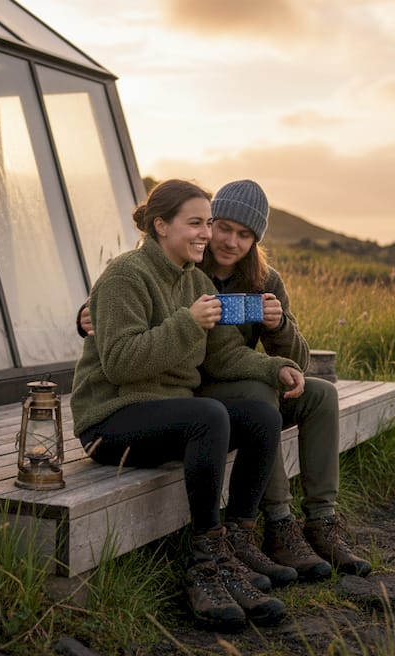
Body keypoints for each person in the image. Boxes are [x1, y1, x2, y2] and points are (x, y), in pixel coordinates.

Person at [78, 179, 371, 584]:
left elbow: (229, 352)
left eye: (243, 234)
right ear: (167, 226)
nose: (226, 240)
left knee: (304, 399)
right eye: (218, 227)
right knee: (245, 402)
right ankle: (256, 532)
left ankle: (300, 526)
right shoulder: (167, 266)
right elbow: (122, 337)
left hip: (193, 393)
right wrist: (92, 314)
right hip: (162, 400)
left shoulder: (247, 280)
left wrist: (278, 349)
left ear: (255, 240)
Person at [69, 179, 306, 632]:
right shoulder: (125, 276)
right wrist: (187, 322)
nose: (206, 234)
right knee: (208, 415)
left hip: (170, 415)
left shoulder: (196, 281)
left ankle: (235, 546)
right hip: (111, 420)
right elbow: (120, 363)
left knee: (261, 416)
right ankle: (204, 566)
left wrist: (275, 367)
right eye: (196, 223)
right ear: (161, 226)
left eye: (207, 223)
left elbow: (222, 356)